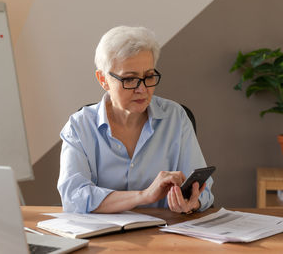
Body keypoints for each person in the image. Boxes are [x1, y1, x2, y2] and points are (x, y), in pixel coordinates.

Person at [58, 26, 214, 214]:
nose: (142, 89)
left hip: (167, 235)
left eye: (148, 76)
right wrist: (144, 195)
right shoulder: (79, 126)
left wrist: (192, 202)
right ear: (103, 79)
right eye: (130, 79)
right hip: (102, 238)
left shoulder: (176, 117)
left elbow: (204, 192)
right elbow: (73, 197)